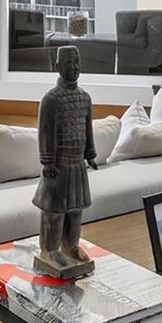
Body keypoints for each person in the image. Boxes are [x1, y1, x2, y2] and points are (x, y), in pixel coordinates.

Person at [33, 46, 98, 276]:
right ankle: (50, 250)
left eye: (78, 62)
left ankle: (71, 245)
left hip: (77, 164)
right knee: (54, 211)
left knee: (76, 210)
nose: (75, 67)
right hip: (57, 166)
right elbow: (45, 133)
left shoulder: (84, 98)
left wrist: (90, 154)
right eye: (69, 63)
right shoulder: (51, 99)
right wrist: (47, 161)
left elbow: (87, 129)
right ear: (58, 66)